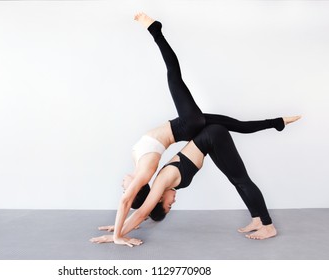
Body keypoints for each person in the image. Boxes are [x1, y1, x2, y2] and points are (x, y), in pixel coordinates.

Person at [90, 13, 300, 247]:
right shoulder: (162, 184)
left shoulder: (158, 182)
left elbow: (138, 209)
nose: (173, 202)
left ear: (158, 199)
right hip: (209, 136)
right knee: (238, 158)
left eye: (168, 204)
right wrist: (123, 226)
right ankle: (258, 215)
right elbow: (143, 212)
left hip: (193, 126)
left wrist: (117, 234)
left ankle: (268, 226)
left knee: (173, 75)